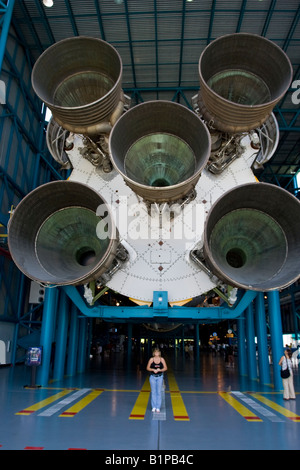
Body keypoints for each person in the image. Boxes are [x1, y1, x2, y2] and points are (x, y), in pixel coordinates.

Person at [146, 348, 167, 413]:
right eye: (155, 352)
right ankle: (154, 407)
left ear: (159, 353)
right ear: (154, 353)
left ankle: (158, 407)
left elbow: (165, 368)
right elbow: (147, 368)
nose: (156, 353)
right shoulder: (151, 359)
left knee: (158, 392)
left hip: (160, 377)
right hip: (152, 377)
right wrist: (153, 370)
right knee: (153, 392)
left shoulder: (162, 359)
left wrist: (159, 370)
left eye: (158, 352)